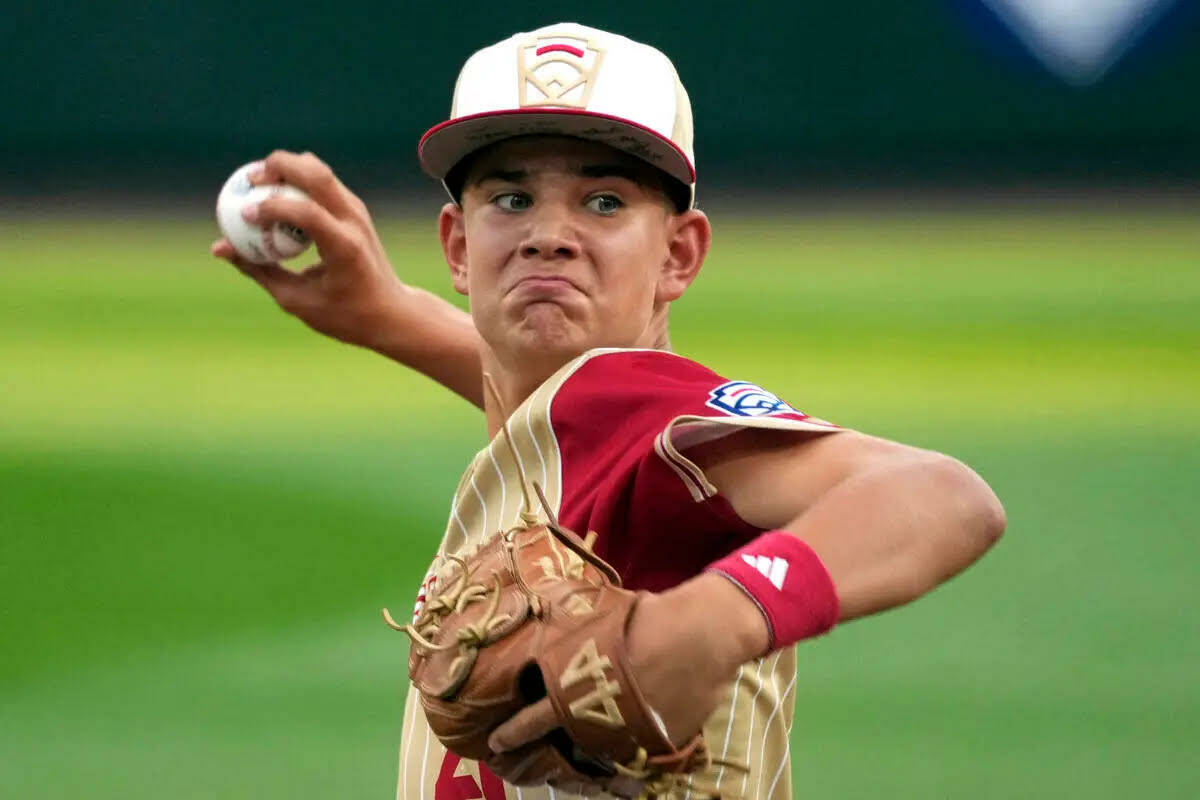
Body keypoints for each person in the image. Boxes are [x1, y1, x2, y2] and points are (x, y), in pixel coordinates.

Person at [211, 22, 1006, 800]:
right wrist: (389, 316)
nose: (548, 236)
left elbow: (945, 497)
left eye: (602, 201)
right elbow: (541, 407)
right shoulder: (566, 424)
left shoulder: (645, 409)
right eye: (512, 198)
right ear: (457, 246)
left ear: (678, 256)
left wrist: (714, 618)